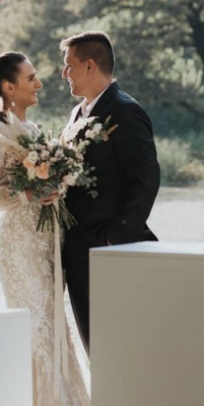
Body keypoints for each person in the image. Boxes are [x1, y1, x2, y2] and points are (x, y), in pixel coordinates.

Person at [0, 51, 90, 406]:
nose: (39, 83)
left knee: (55, 332)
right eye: (31, 77)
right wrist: (28, 195)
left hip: (45, 244)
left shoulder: (34, 130)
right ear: (8, 87)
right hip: (18, 247)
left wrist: (55, 184)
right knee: (35, 335)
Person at [61, 31, 160, 352]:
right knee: (93, 343)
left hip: (110, 246)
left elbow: (144, 179)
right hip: (77, 248)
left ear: (89, 66)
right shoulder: (77, 113)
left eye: (69, 66)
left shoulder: (125, 111)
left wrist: (115, 237)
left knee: (122, 343)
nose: (65, 73)